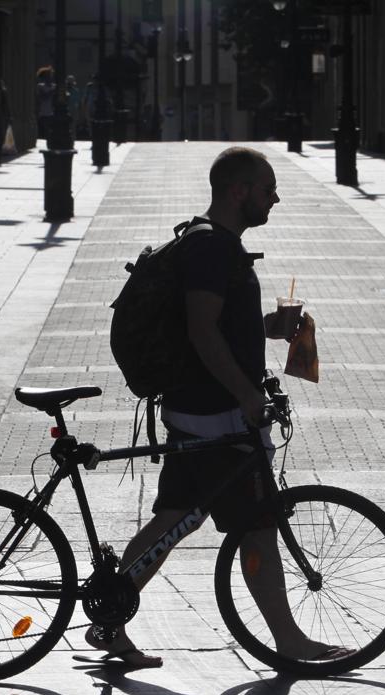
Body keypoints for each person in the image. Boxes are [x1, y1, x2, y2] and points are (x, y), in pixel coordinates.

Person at [83, 146, 354, 668]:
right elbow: (201, 330)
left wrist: (270, 329)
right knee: (256, 525)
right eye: (268, 187)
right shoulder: (212, 249)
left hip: (199, 407)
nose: (275, 196)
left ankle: (109, 617)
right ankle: (291, 643)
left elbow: (218, 326)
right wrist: (247, 394)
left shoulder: (212, 243)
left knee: (174, 516)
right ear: (239, 191)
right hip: (216, 414)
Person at [36, 66, 55, 141]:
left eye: (50, 75)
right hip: (44, 111)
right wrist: (52, 91)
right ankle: (49, 142)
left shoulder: (55, 86)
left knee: (53, 129)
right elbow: (43, 97)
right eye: (47, 76)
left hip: (53, 111)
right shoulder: (40, 86)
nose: (49, 77)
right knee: (47, 129)